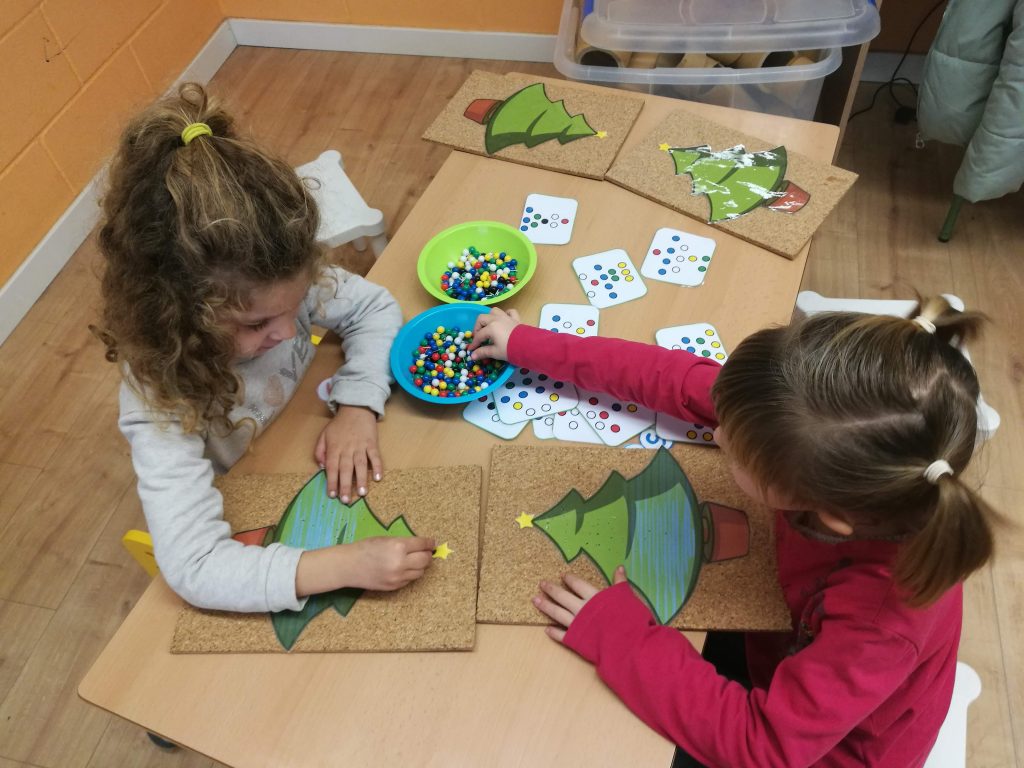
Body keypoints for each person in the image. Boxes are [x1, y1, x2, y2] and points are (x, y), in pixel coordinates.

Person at [468, 299, 1000, 767]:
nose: (718, 434)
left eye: (738, 454)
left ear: (826, 514)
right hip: (779, 648)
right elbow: (674, 378)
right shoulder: (805, 422)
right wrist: (527, 344)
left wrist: (619, 636)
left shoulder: (880, 623)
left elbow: (762, 746)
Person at [94, 83, 434, 614]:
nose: (288, 332)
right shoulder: (161, 397)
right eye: (256, 325)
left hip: (297, 450)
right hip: (251, 497)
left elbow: (373, 307)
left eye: (294, 307)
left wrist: (356, 404)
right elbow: (196, 566)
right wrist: (344, 566)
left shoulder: (272, 283)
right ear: (176, 315)